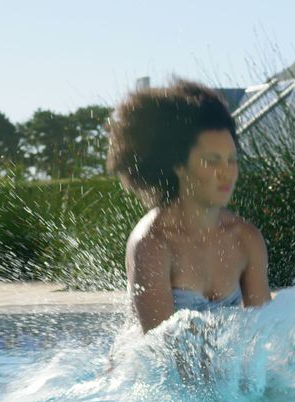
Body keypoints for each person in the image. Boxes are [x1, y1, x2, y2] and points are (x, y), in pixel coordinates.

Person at [107, 80, 271, 333]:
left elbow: (264, 335)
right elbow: (161, 351)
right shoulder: (153, 243)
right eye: (212, 162)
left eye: (231, 160)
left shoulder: (246, 239)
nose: (226, 173)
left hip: (220, 370)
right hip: (152, 370)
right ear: (179, 165)